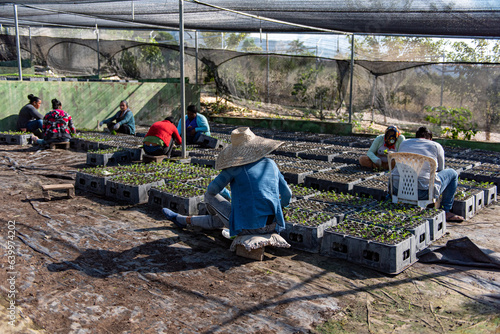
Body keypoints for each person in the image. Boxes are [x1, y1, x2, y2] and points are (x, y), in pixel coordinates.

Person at [163, 127, 292, 237]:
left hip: (249, 227)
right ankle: (182, 219)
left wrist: (227, 195)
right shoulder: (271, 164)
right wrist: (278, 206)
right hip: (273, 225)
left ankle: (182, 219)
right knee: (221, 218)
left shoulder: (234, 168)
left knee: (209, 196)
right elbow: (287, 195)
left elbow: (212, 190)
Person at [390, 126, 464, 222]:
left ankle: (390, 201)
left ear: (416, 137)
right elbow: (440, 169)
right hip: (423, 193)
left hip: (398, 190)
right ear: (430, 138)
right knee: (452, 173)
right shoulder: (435, 146)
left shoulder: (404, 143)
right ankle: (446, 211)